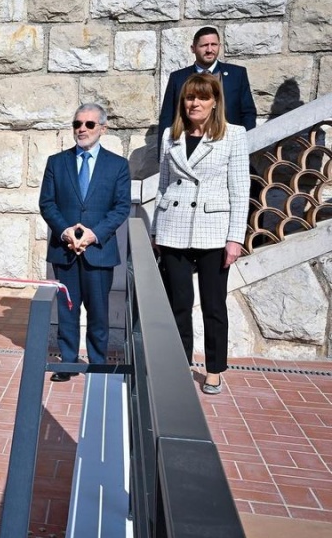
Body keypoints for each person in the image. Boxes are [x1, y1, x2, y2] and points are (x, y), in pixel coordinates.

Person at [151, 73, 250, 394]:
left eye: (202, 98)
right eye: (190, 98)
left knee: (213, 304)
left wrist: (235, 238)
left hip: (214, 231)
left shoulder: (233, 136)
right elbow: (164, 186)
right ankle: (180, 363)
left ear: (214, 103)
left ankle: (214, 369)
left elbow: (240, 190)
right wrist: (156, 230)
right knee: (178, 302)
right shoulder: (170, 135)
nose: (195, 103)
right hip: (173, 228)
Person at [39, 104, 132, 382]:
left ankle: (98, 364)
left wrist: (93, 235)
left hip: (98, 251)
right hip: (64, 249)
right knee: (67, 310)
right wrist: (65, 231)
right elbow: (47, 203)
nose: (82, 129)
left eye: (89, 124)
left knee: (98, 313)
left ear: (102, 128)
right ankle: (67, 364)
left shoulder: (117, 165)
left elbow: (121, 207)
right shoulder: (56, 162)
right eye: (77, 123)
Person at [158, 26, 256, 140]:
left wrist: (246, 144)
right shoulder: (178, 78)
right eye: (204, 45)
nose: (209, 50)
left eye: (214, 44)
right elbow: (167, 118)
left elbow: (248, 113)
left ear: (220, 46)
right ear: (193, 48)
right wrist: (163, 155)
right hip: (189, 143)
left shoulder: (237, 74)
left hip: (228, 143)